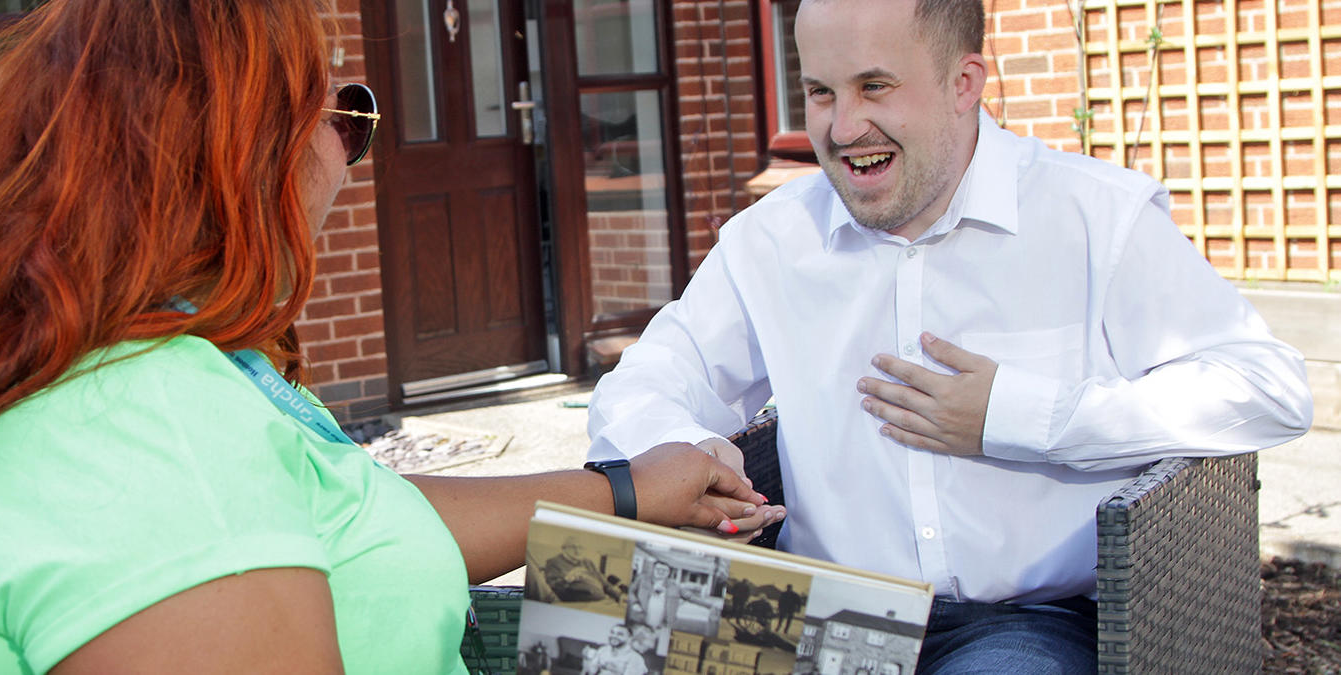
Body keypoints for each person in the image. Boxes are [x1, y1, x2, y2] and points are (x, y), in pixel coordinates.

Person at [0, 2, 765, 673]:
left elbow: (347, 514)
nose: (345, 160)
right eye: (339, 115)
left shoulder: (122, 364)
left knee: (793, 635)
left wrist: (627, 491)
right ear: (233, 152)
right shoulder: (144, 427)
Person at [586, 0, 1313, 672]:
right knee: (585, 629)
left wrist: (1020, 416)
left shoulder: (1095, 218)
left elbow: (1267, 386)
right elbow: (643, 385)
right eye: (821, 92)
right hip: (812, 613)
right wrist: (682, 446)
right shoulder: (769, 242)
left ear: (965, 82)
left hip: (1023, 623)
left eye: (876, 86)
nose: (842, 129)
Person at [543, 536, 625, 602]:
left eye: (580, 547)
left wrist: (619, 596)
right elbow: (550, 589)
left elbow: (603, 582)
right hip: (576, 604)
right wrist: (567, 579)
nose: (577, 551)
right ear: (564, 548)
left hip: (601, 602)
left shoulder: (587, 562)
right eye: (573, 547)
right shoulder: (553, 563)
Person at [583, 624, 650, 675]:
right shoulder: (603, 650)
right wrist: (586, 658)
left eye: (620, 634)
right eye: (612, 632)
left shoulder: (635, 658)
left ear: (630, 638)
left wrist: (613, 669)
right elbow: (592, 671)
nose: (614, 636)